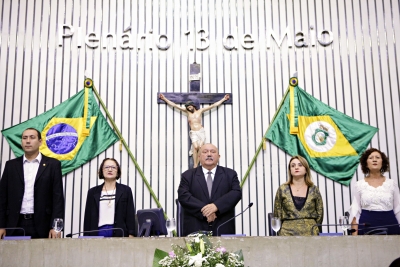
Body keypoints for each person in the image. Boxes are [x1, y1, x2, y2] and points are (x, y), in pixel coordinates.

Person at [0, 128, 64, 239]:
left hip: (42, 224)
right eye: (24, 138)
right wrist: (1, 225)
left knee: (42, 256)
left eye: (32, 137)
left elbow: (57, 198)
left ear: (40, 142)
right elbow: (2, 198)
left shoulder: (53, 165)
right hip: (14, 224)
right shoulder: (11, 165)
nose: (28, 141)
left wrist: (56, 227)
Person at [177, 143, 242, 236]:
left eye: (213, 152)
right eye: (205, 152)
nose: (209, 154)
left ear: (218, 156)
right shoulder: (188, 175)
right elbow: (183, 196)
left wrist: (216, 206)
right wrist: (207, 211)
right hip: (195, 226)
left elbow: (236, 193)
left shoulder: (230, 174)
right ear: (199, 157)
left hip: (222, 226)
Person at [159, 93, 230, 168]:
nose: (189, 108)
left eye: (190, 107)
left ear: (193, 106)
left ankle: (197, 164)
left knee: (200, 146)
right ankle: (195, 165)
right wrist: (164, 99)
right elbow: (175, 105)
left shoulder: (200, 111)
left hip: (201, 131)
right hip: (193, 132)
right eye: (188, 108)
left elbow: (213, 106)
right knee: (195, 147)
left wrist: (223, 99)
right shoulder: (187, 112)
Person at [349, 148, 400, 235]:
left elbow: (398, 209)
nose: (374, 159)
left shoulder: (392, 184)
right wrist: (355, 237)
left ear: (382, 162)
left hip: (390, 225)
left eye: (377, 157)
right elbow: (355, 211)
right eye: (371, 158)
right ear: (366, 163)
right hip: (366, 225)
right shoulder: (359, 185)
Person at [84, 158, 136, 237]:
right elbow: (88, 218)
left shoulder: (126, 190)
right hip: (98, 232)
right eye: (106, 167)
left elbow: (130, 215)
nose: (110, 169)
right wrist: (86, 237)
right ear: (102, 170)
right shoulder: (92, 192)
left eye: (113, 167)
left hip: (119, 232)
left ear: (117, 171)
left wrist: (131, 234)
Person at [273, 155, 324, 236]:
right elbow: (277, 214)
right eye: (293, 166)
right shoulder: (282, 189)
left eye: (300, 165)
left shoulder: (314, 189)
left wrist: (316, 229)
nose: (296, 167)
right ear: (290, 170)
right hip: (286, 233)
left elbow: (320, 214)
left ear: (306, 169)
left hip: (311, 232)